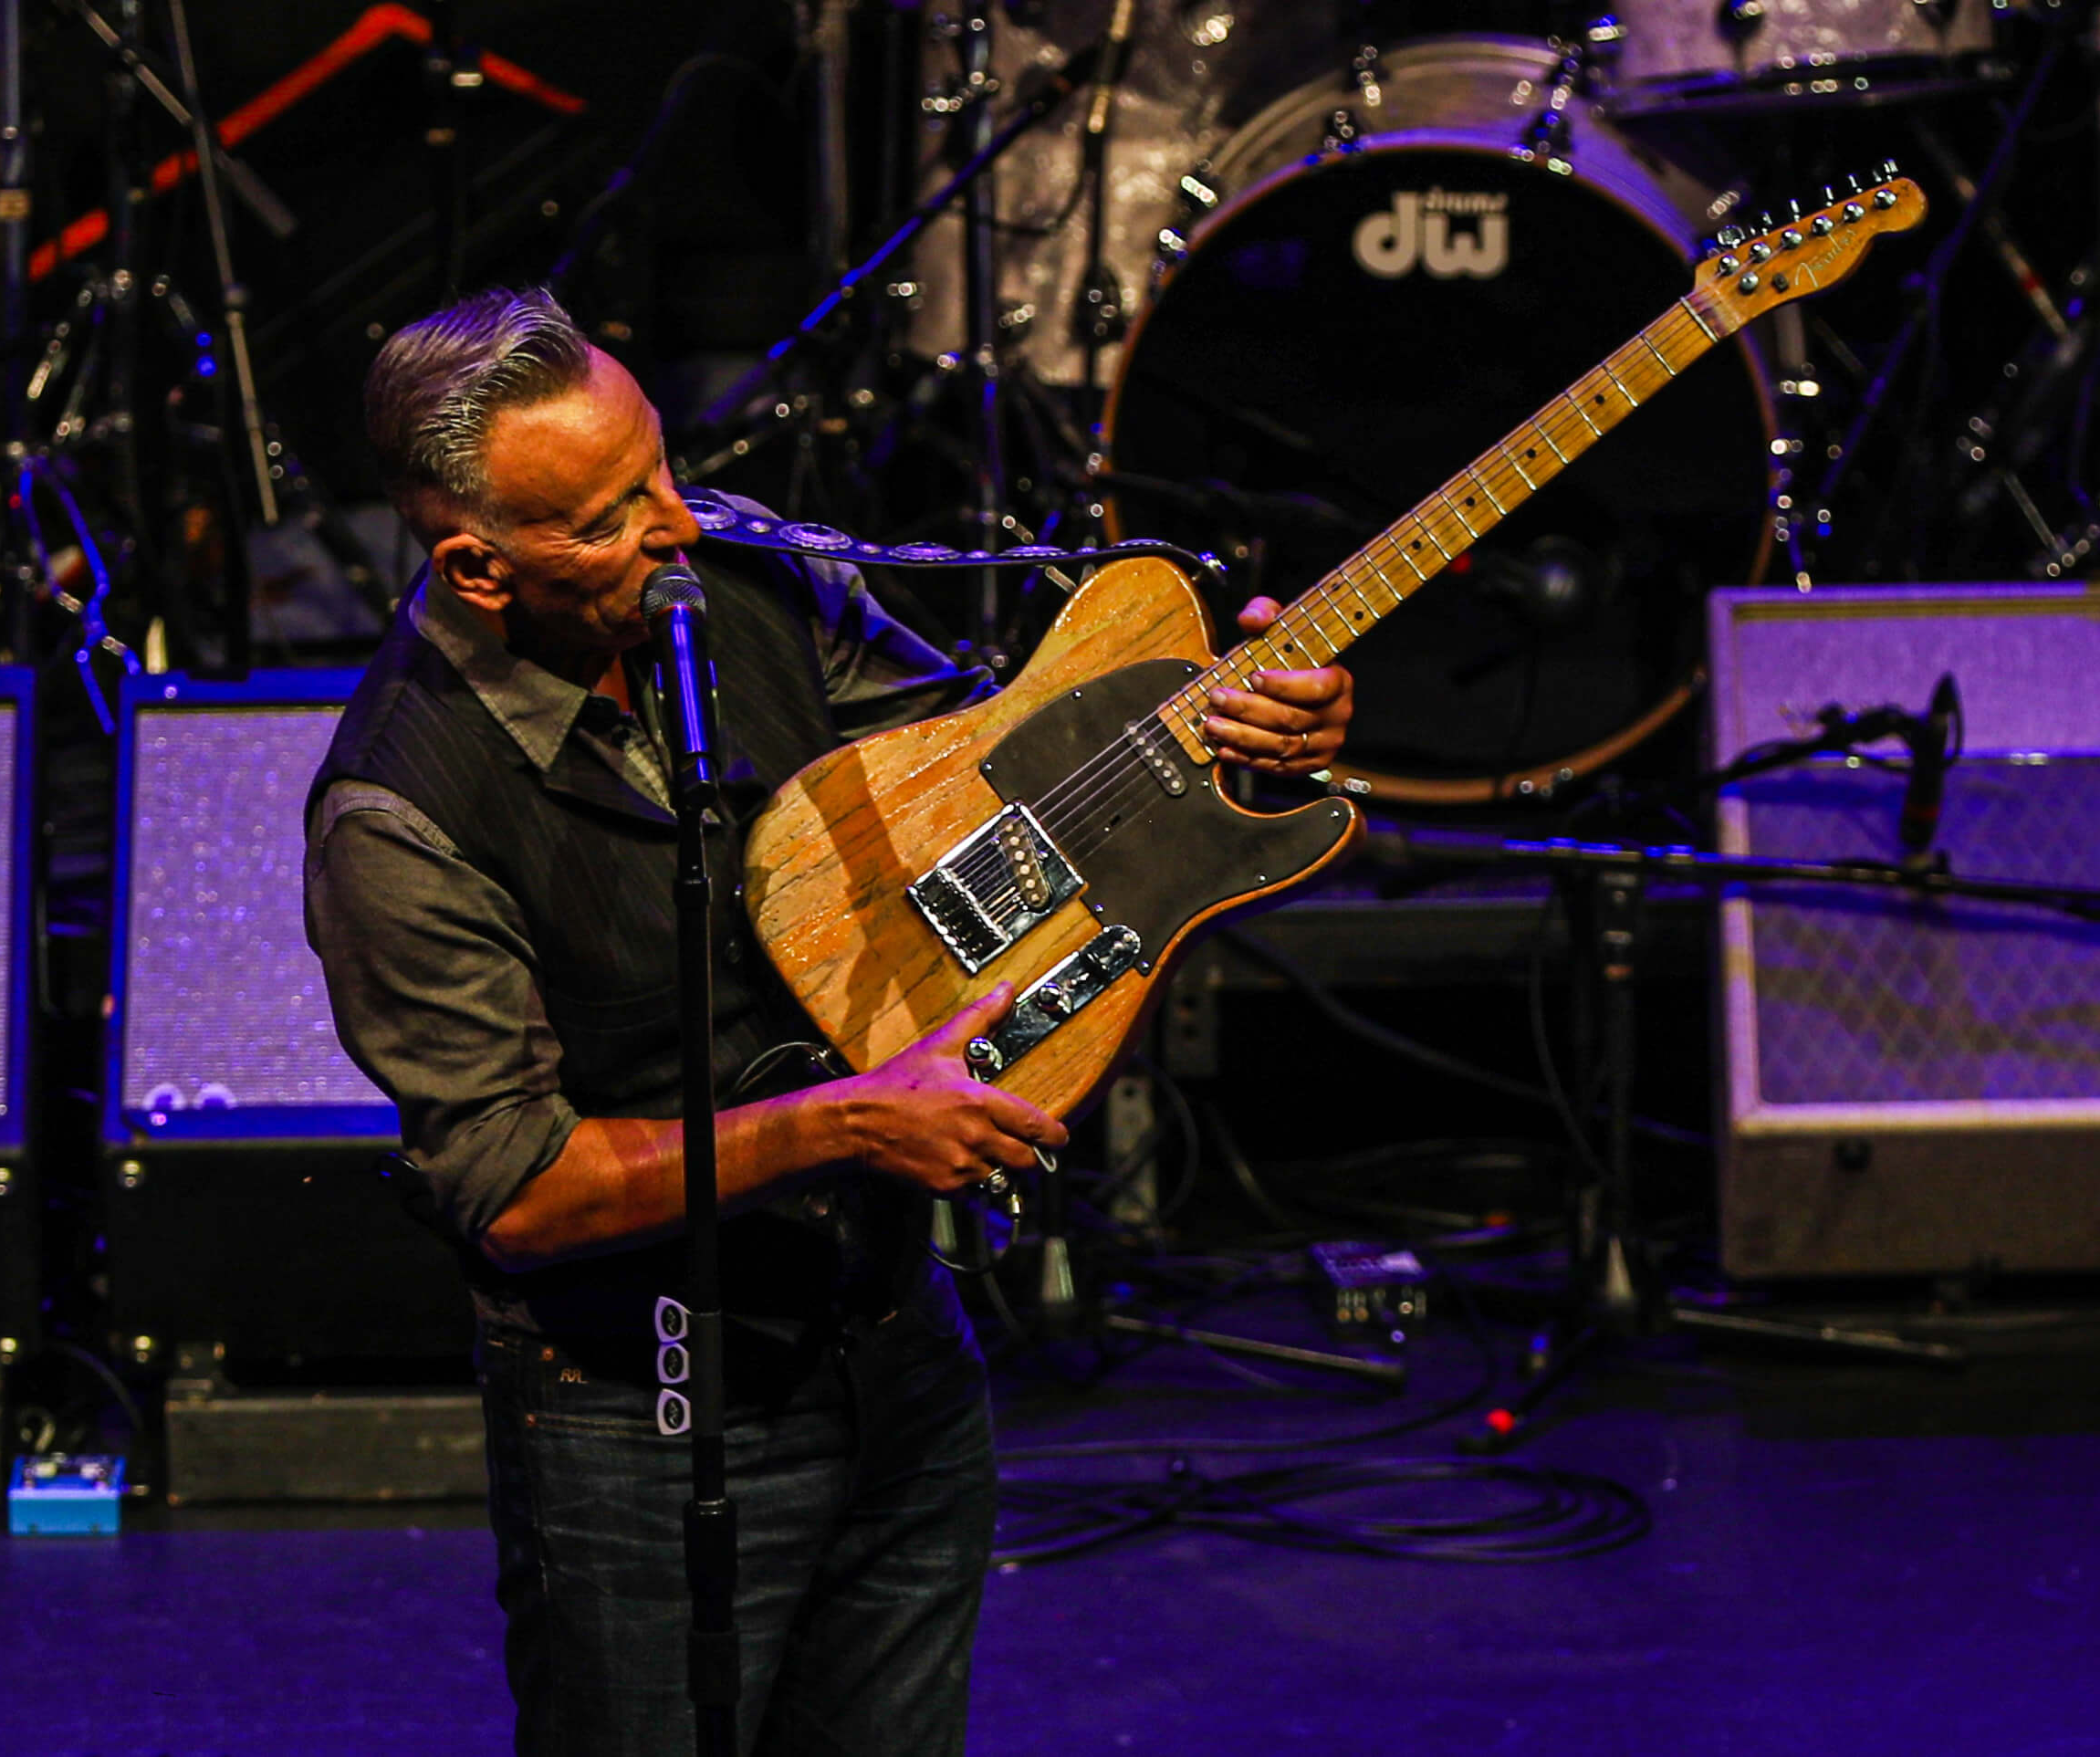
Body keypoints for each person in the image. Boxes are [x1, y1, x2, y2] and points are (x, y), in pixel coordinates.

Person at [305, 286, 1353, 1755]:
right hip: (632, 1406)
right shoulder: (400, 812)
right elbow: (513, 1187)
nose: (679, 523)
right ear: (483, 570)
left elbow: (998, 783)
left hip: (895, 1347)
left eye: (660, 466)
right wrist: (851, 1120)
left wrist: (1234, 744)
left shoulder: (749, 579)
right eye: (611, 515)